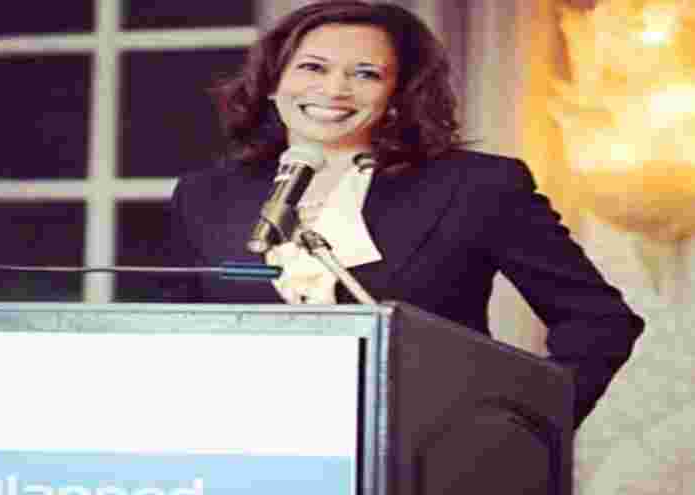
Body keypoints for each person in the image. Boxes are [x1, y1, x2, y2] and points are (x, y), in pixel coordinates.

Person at [162, 0, 644, 428]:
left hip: (422, 462)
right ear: (273, 81)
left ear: (397, 93)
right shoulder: (205, 195)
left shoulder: (477, 186)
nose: (334, 89)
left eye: (366, 74)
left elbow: (599, 321)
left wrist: (517, 434)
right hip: (246, 455)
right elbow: (170, 337)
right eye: (312, 67)